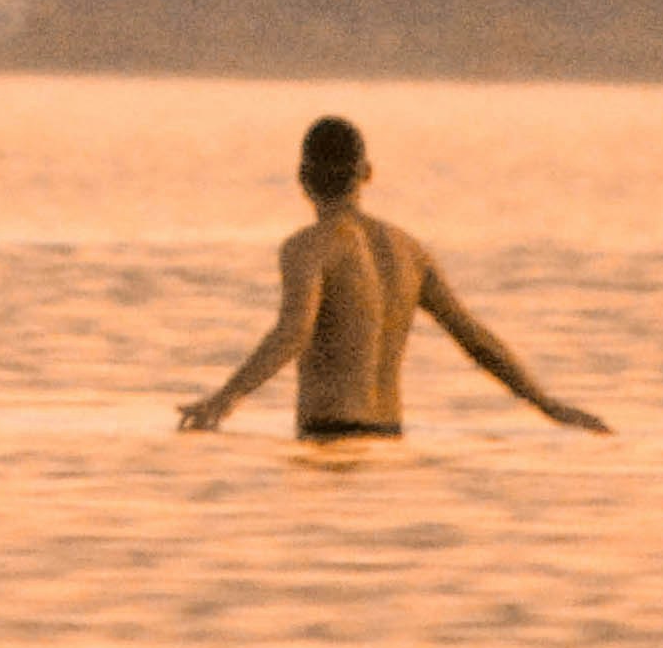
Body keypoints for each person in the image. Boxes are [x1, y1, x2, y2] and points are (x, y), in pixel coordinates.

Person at [178, 114, 607, 441]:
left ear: (302, 178)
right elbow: (475, 339)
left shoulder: (308, 247)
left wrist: (224, 400)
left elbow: (294, 332)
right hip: (391, 437)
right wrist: (548, 405)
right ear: (366, 173)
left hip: (329, 439)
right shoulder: (408, 251)